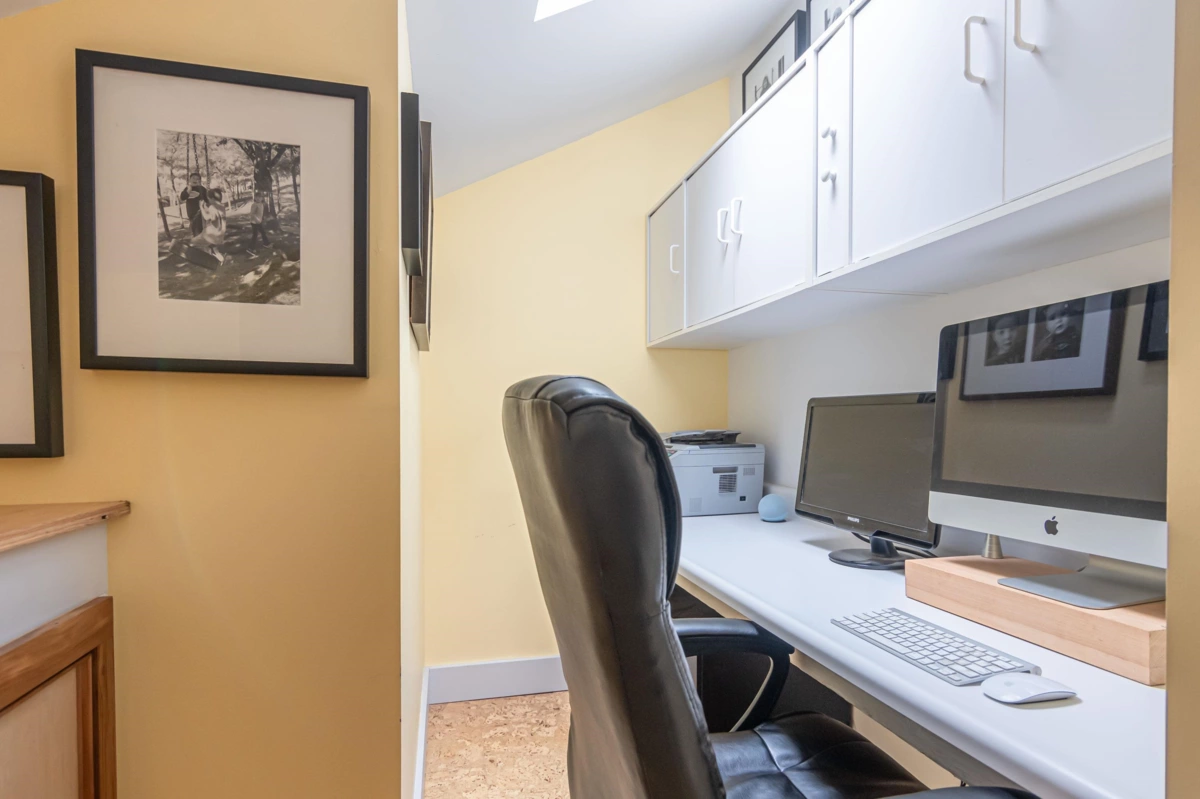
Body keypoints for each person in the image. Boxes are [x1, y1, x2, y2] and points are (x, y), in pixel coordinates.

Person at [190, 187, 227, 263]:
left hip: (211, 235)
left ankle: (210, 254)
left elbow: (208, 218)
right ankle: (215, 253)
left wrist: (201, 207)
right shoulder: (222, 206)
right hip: (220, 235)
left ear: (212, 198)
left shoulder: (212, 207)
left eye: (208, 198)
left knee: (192, 242)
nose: (208, 200)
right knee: (208, 243)